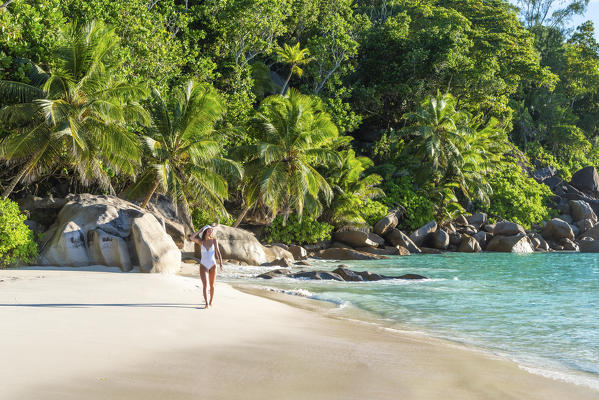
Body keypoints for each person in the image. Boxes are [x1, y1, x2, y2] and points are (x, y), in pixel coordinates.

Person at [189, 225, 223, 308]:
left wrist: (221, 263)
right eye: (208, 230)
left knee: (212, 285)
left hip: (213, 264)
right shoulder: (201, 241)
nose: (210, 232)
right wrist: (200, 230)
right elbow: (191, 238)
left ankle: (210, 302)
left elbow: (218, 252)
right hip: (203, 265)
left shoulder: (214, 240)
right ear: (205, 232)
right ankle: (206, 304)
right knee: (205, 285)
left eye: (211, 230)